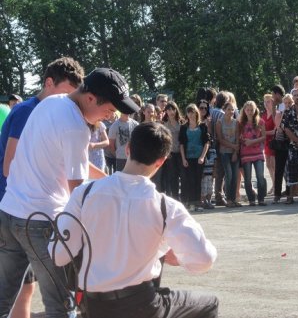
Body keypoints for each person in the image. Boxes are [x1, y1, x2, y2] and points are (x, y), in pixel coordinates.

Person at [0, 67, 140, 318]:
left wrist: (112, 181)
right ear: (90, 98)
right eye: (109, 109)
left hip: (9, 212)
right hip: (40, 221)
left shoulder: (51, 103)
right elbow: (77, 192)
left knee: (3, 296)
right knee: (62, 304)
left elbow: (73, 164)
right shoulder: (76, 126)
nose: (110, 116)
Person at [50, 122, 218, 318]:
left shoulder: (84, 193)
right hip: (141, 305)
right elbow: (204, 260)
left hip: (94, 305)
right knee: (209, 304)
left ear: (128, 148)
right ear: (161, 161)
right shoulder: (165, 206)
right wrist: (179, 256)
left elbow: (58, 255)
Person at [0, 57, 84, 318]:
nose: (72, 101)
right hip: (25, 212)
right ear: (49, 83)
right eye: (68, 92)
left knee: (22, 290)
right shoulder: (29, 110)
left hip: (18, 211)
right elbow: (9, 165)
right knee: (53, 297)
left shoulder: (41, 110)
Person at [179, 104, 210, 211]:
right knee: (190, 180)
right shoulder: (183, 127)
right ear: (186, 114)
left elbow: (207, 142)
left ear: (196, 113)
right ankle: (190, 203)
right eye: (189, 112)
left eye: (193, 112)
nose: (191, 115)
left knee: (198, 180)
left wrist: (202, 156)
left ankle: (197, 203)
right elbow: (181, 144)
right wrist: (183, 159)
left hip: (199, 157)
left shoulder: (202, 126)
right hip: (187, 157)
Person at [239, 101, 267, 206]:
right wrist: (243, 140)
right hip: (246, 154)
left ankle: (261, 198)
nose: (250, 112)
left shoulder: (260, 122)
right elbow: (239, 137)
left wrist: (252, 142)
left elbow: (264, 137)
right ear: (244, 111)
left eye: (252, 110)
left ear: (255, 110)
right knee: (247, 178)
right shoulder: (240, 123)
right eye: (248, 110)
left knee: (260, 176)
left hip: (258, 153)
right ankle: (251, 199)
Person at [216, 101, 240, 207]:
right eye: (229, 109)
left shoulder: (236, 122)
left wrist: (235, 151)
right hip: (224, 152)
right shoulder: (219, 122)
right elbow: (220, 139)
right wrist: (233, 146)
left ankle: (233, 199)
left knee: (235, 175)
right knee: (229, 175)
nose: (231, 111)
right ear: (224, 110)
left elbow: (238, 138)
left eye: (232, 109)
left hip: (234, 152)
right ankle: (229, 199)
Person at [161, 101, 183, 199]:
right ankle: (175, 197)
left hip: (181, 152)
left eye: (173, 109)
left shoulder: (182, 122)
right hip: (170, 154)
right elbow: (163, 140)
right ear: (166, 111)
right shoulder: (164, 124)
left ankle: (184, 197)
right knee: (173, 177)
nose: (171, 112)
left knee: (183, 175)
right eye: (169, 109)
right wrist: (166, 152)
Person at [261, 94, 276, 194]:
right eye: (265, 102)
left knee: (274, 165)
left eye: (268, 101)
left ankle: (276, 185)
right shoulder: (263, 115)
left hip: (274, 142)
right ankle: (274, 184)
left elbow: (275, 131)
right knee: (268, 165)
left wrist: (263, 133)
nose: (266, 104)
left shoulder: (276, 114)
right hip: (266, 142)